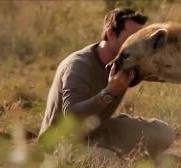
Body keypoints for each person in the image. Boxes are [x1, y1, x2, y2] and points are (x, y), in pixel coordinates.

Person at [38, 8, 174, 157]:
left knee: (163, 133)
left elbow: (167, 74)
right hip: (62, 142)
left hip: (99, 131)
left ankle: (140, 159)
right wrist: (109, 93)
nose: (137, 44)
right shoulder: (78, 66)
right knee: (112, 164)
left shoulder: (129, 61)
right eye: (131, 38)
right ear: (110, 34)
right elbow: (72, 117)